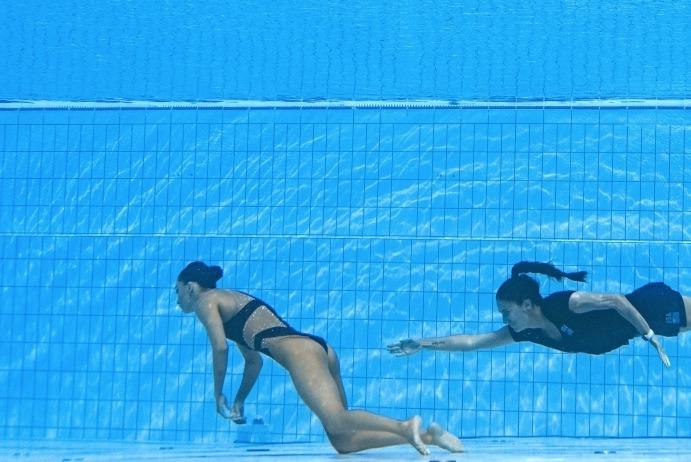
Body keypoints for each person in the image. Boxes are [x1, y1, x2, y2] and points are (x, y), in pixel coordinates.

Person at [175, 261, 463, 455]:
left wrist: (217, 394)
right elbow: (254, 362)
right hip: (319, 349)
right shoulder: (231, 302)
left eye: (178, 292)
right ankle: (427, 436)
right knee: (343, 439)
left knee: (339, 420)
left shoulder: (206, 301)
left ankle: (405, 426)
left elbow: (219, 348)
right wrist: (239, 400)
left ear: (191, 288)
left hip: (300, 352)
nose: (178, 301)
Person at [388, 261, 690, 367]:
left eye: (507, 312)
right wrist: (423, 344)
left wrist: (650, 336)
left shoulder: (567, 304)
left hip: (654, 308)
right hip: (647, 325)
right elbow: (471, 342)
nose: (505, 320)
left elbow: (617, 301)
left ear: (527, 305)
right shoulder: (526, 332)